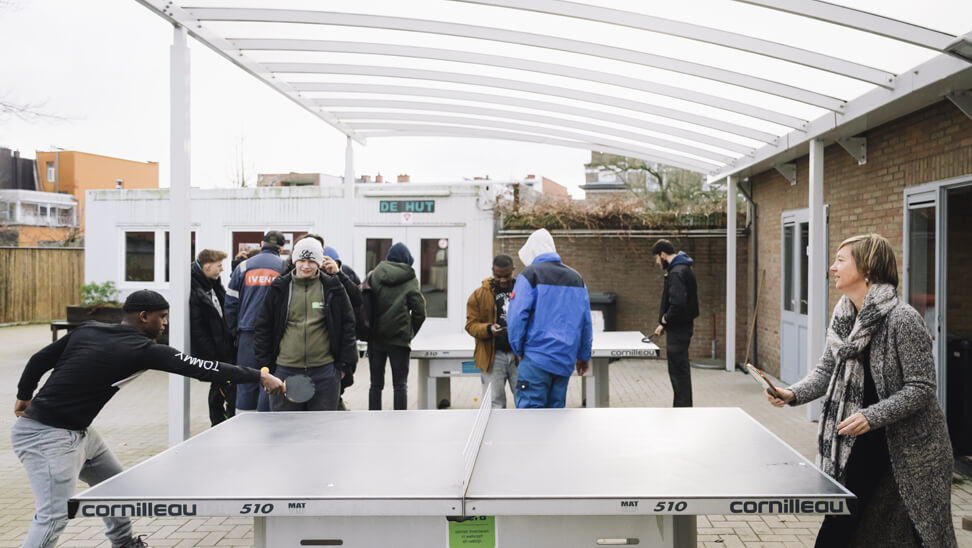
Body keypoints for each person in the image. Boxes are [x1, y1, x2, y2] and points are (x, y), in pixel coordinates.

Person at [12, 290, 284, 548]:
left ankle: (124, 542)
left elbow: (40, 359)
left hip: (78, 432)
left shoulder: (87, 329)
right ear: (143, 316)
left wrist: (24, 394)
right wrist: (259, 376)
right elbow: (205, 369)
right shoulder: (145, 350)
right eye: (161, 316)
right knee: (54, 515)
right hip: (47, 437)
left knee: (117, 489)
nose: (165, 323)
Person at [765, 233, 956, 547]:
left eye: (841, 260)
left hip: (911, 453)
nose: (832, 267)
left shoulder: (903, 320)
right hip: (859, 444)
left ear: (867, 269)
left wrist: (871, 416)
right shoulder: (844, 317)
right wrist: (792, 394)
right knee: (847, 530)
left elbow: (921, 388)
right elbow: (827, 369)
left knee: (910, 537)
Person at [254, 237, 357, 411]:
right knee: (286, 431)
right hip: (285, 371)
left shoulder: (333, 287)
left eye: (311, 261)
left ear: (319, 262)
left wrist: (344, 365)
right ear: (295, 261)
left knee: (322, 430)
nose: (306, 266)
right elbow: (263, 326)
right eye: (302, 260)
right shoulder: (280, 287)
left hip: (325, 372)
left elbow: (348, 325)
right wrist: (266, 366)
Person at [508, 228, 592, 408]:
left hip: (535, 359)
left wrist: (517, 349)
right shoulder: (577, 278)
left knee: (531, 416)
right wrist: (583, 356)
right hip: (565, 360)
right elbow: (585, 321)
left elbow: (516, 317)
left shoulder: (530, 275)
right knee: (555, 415)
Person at [225, 230, 287, 412]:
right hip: (273, 335)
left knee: (245, 380)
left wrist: (234, 330)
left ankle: (243, 426)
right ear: (281, 248)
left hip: (247, 333)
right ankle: (265, 426)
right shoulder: (284, 268)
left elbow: (230, 304)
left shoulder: (243, 267)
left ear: (262, 243)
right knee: (269, 381)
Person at [367, 242, 426, 410]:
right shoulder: (410, 279)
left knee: (375, 384)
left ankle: (373, 418)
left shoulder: (374, 274)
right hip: (399, 340)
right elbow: (420, 311)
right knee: (400, 385)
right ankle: (400, 421)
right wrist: (409, 332)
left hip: (375, 337)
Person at [189, 249, 237, 426]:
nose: (222, 270)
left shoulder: (213, 284)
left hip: (223, 347)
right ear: (207, 267)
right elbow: (198, 329)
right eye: (219, 266)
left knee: (223, 385)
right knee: (219, 387)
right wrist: (211, 355)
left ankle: (221, 423)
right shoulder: (194, 289)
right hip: (214, 353)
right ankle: (218, 423)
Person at [651, 239, 699, 408]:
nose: (657, 262)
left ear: (663, 254)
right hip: (681, 327)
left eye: (657, 258)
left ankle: (682, 408)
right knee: (681, 370)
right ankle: (683, 406)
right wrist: (663, 325)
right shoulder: (683, 268)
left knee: (678, 371)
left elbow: (678, 303)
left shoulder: (677, 272)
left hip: (679, 330)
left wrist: (665, 319)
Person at [465, 254, 518, 408]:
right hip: (492, 356)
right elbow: (471, 324)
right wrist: (489, 329)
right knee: (494, 403)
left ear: (513, 270)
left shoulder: (523, 291)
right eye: (498, 276)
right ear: (492, 271)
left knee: (524, 400)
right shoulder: (479, 295)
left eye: (507, 276)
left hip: (519, 356)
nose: (502, 280)